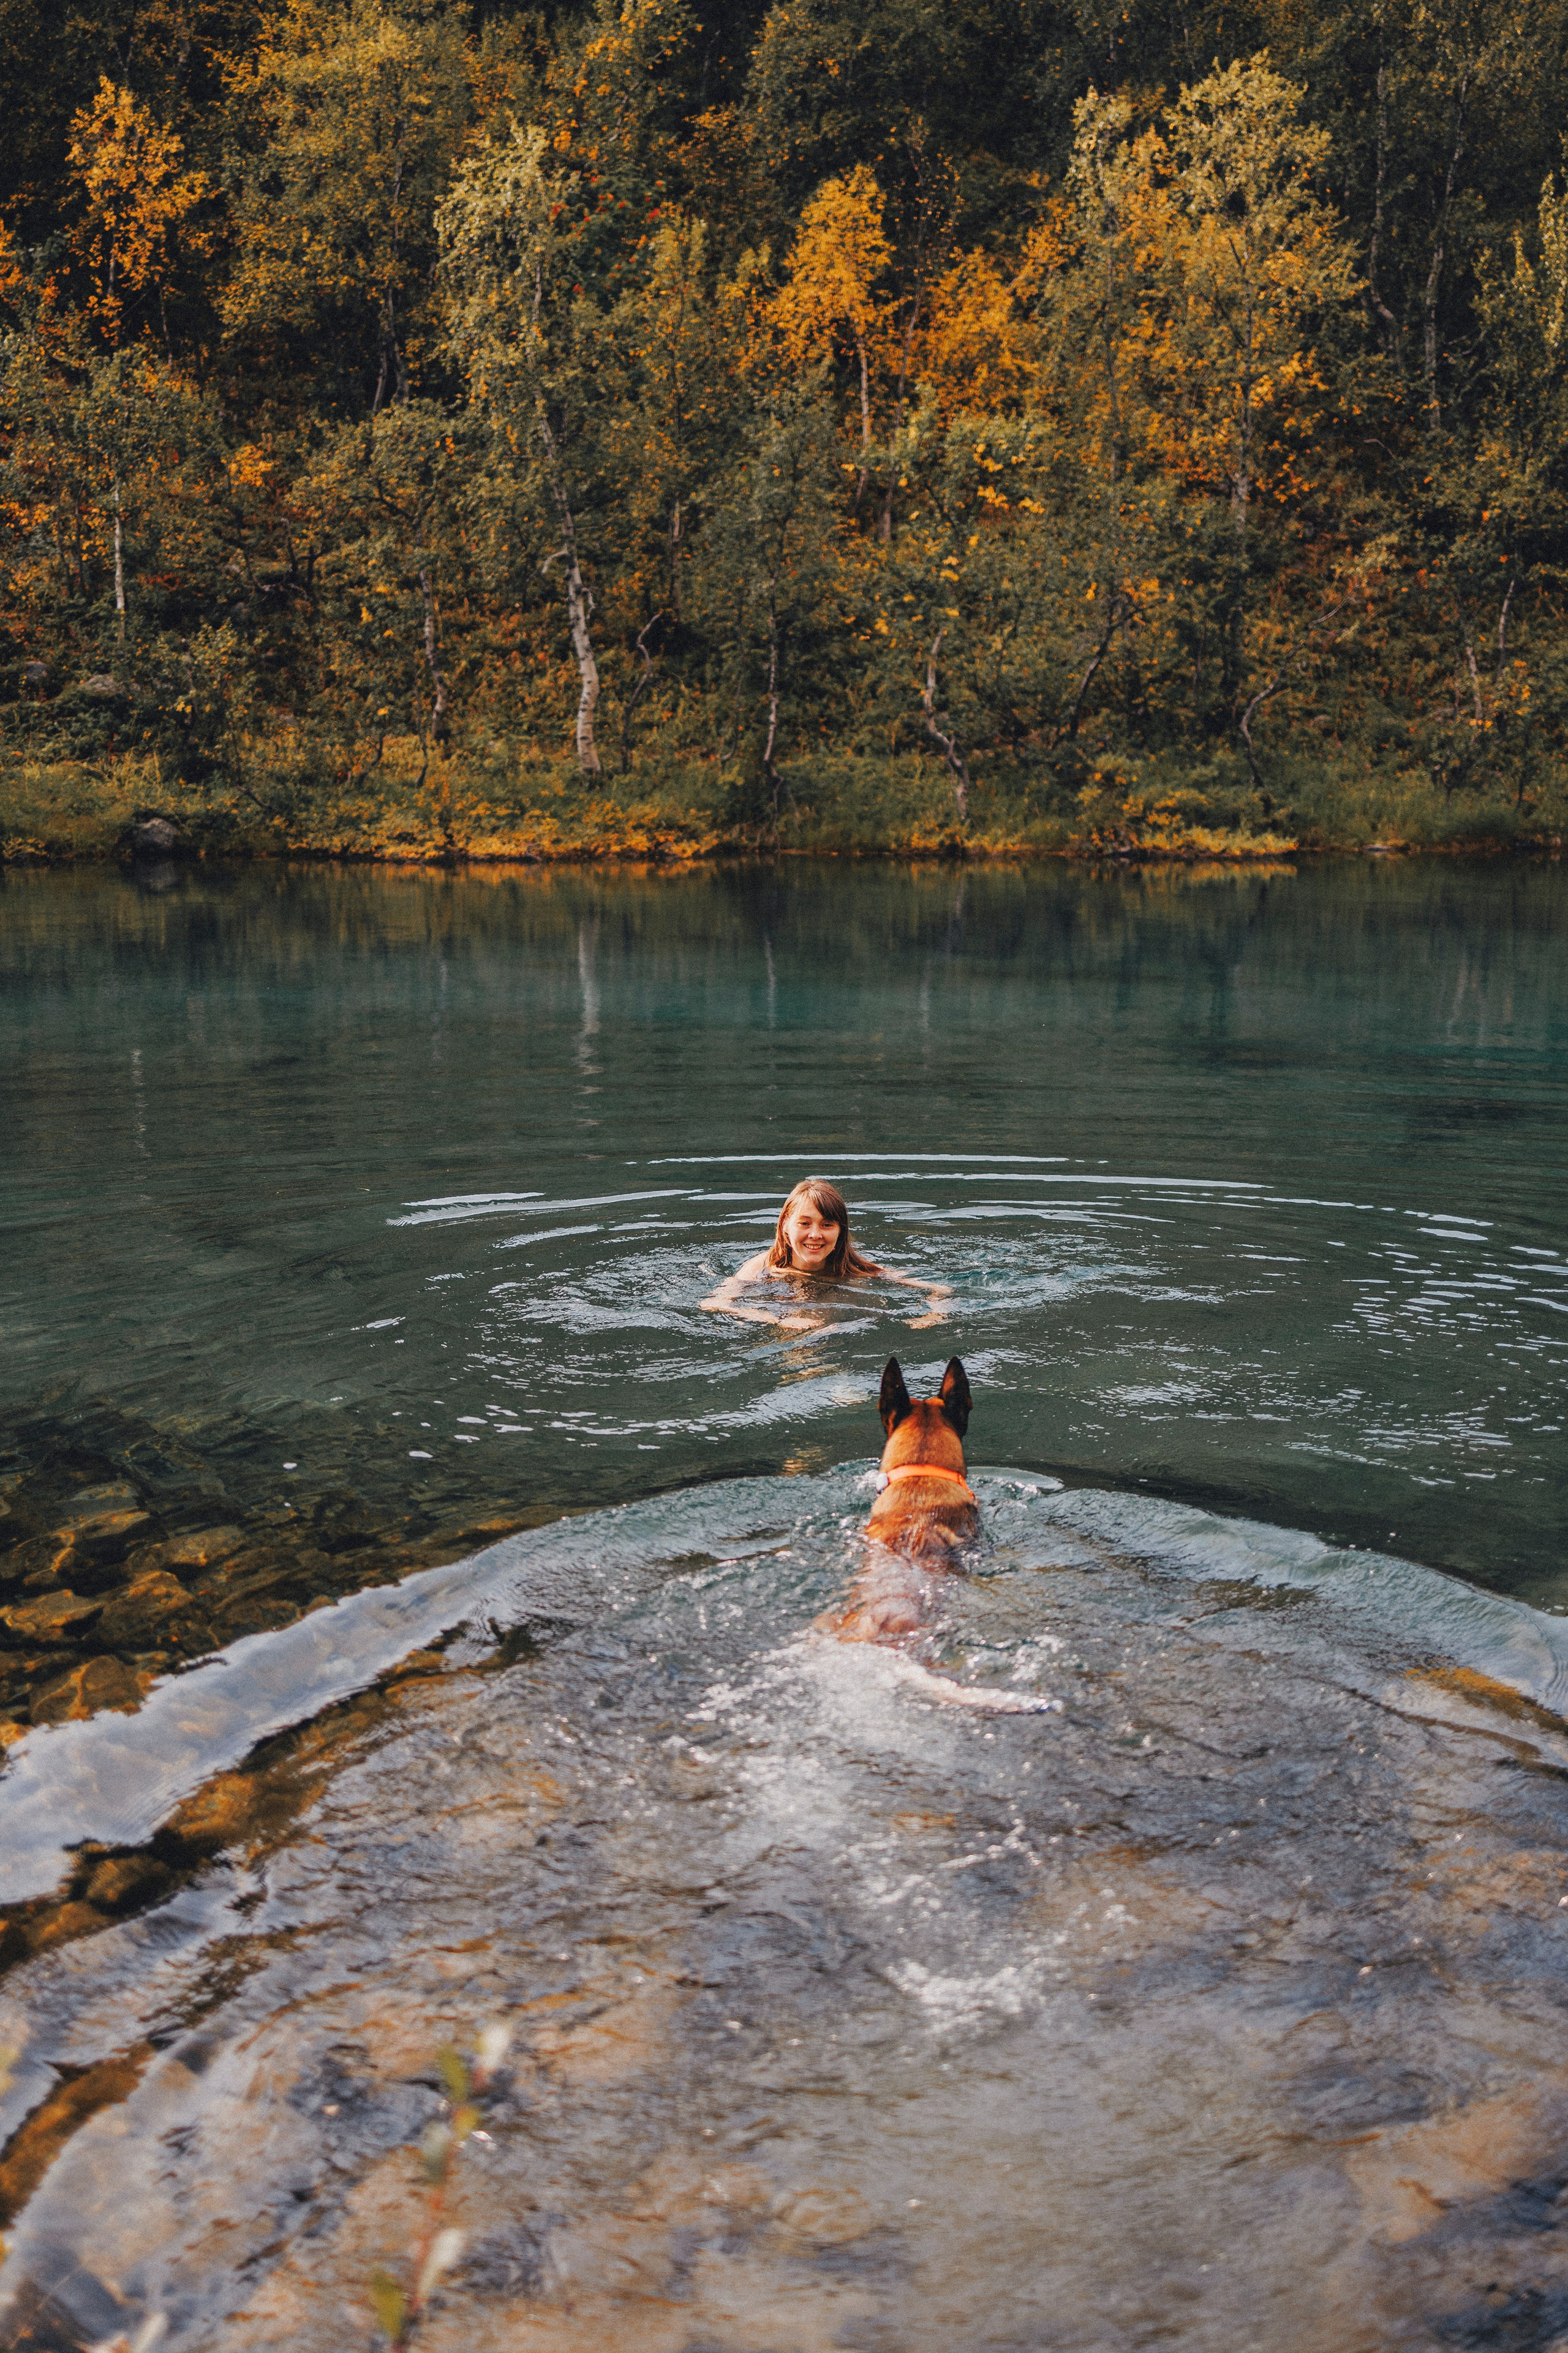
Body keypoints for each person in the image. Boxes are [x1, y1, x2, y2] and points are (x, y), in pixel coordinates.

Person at [699, 1177, 952, 1333]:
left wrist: (935, 1312)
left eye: (827, 1225)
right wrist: (776, 1320)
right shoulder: (762, 1267)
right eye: (805, 1223)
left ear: (840, 1232)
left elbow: (939, 1289)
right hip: (791, 1321)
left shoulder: (854, 1267)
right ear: (786, 1226)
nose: (815, 1235)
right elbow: (715, 1302)